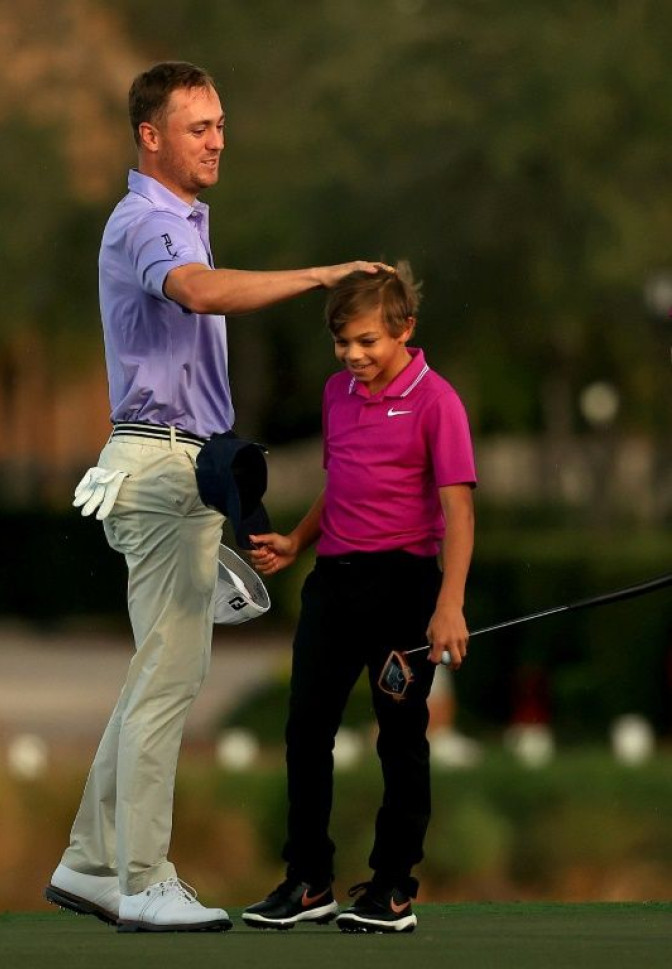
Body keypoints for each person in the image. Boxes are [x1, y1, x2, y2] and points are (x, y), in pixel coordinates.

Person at [44, 60, 387, 934]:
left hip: (173, 464)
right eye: (199, 127)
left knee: (153, 673)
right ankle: (141, 875)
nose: (218, 139)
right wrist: (320, 275)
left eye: (222, 124)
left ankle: (89, 863)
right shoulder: (147, 220)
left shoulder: (180, 220)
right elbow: (195, 291)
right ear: (150, 136)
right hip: (161, 465)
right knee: (169, 676)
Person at [242, 263, 476, 934]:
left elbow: (459, 512)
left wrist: (450, 603)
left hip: (406, 587)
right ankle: (308, 879)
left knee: (400, 738)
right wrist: (296, 541)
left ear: (405, 329)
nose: (354, 355)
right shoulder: (336, 394)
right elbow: (341, 483)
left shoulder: (439, 401)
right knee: (304, 729)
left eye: (368, 341)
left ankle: (394, 887)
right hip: (334, 585)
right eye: (343, 342)